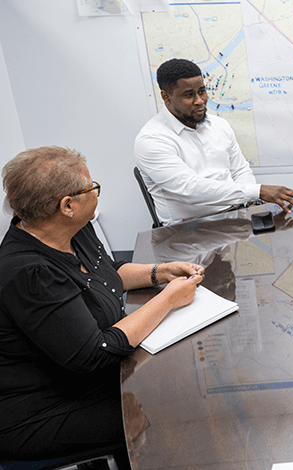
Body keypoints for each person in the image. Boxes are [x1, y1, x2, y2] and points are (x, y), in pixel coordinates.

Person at [0, 147, 205, 461]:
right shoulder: (30, 274)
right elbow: (96, 352)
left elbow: (105, 273)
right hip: (43, 407)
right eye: (91, 188)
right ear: (67, 205)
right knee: (170, 406)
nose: (97, 192)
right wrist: (168, 299)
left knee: (179, 378)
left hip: (85, 376)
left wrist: (160, 272)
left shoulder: (72, 228)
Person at [134, 58, 293, 225]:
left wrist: (249, 203)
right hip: (186, 230)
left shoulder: (219, 125)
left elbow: (240, 170)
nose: (199, 101)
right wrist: (257, 192)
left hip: (235, 218)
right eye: (189, 95)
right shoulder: (151, 140)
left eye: (202, 91)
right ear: (166, 96)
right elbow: (191, 189)